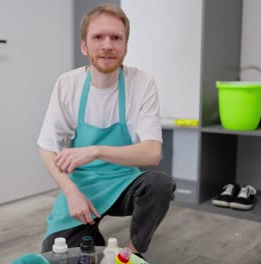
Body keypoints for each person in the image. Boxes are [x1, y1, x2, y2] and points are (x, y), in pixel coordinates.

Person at [37, 4, 176, 257]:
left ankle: (133, 252)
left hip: (124, 182)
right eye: (98, 37)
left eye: (116, 38)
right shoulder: (68, 84)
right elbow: (47, 148)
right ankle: (89, 234)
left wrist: (94, 151)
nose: (107, 45)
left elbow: (152, 154)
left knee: (160, 184)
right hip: (82, 186)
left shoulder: (142, 83)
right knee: (56, 255)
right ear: (84, 46)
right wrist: (71, 192)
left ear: (125, 47)